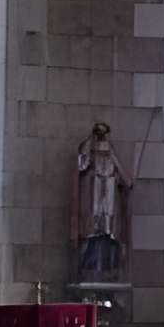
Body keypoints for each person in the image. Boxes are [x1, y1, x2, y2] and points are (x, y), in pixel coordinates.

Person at [71, 120, 133, 281]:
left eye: (104, 133)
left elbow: (120, 172)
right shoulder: (89, 151)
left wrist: (125, 181)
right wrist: (88, 146)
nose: (101, 136)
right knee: (94, 234)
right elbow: (81, 165)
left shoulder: (111, 153)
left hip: (109, 197)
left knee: (109, 234)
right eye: (98, 133)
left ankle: (109, 271)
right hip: (95, 199)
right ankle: (88, 271)